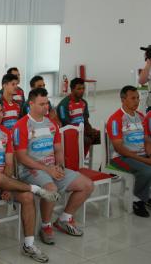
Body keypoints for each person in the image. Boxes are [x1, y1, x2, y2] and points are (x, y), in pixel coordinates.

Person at [0, 98, 60, 263]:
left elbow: (9, 164)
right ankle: (34, 188)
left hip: (5, 181)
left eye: (1, 111)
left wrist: (6, 185)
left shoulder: (5, 133)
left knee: (27, 198)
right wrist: (4, 187)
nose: (0, 115)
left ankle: (29, 245)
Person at [14, 88, 94, 245]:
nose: (46, 107)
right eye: (42, 104)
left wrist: (59, 166)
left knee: (87, 185)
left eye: (47, 103)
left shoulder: (52, 125)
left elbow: (58, 149)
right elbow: (21, 157)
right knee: (51, 189)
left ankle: (64, 219)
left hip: (52, 168)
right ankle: (46, 226)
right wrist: (47, 169)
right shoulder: (21, 126)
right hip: (31, 171)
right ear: (31, 104)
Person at [107, 85, 151, 217]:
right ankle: (137, 200)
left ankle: (147, 196)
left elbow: (147, 140)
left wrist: (149, 154)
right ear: (123, 99)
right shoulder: (115, 119)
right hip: (121, 158)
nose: (137, 101)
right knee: (146, 170)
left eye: (137, 98)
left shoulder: (141, 116)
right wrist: (145, 160)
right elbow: (119, 148)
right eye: (133, 98)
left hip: (139, 155)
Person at [57, 77, 100, 156]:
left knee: (103, 137)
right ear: (72, 89)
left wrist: (90, 130)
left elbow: (86, 120)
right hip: (70, 133)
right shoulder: (64, 104)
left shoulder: (84, 103)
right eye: (79, 89)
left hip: (82, 131)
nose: (82, 91)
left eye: (83, 88)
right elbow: (66, 124)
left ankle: (82, 158)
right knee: (87, 140)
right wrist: (82, 132)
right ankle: (79, 160)